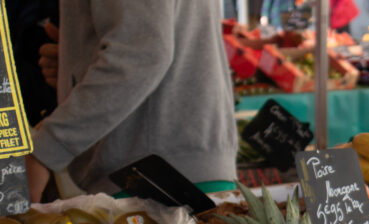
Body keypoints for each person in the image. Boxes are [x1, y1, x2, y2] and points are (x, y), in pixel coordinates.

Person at [27, 1, 237, 200]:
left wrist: (46, 150)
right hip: (170, 167)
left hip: (153, 176)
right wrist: (76, 68)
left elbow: (141, 52)